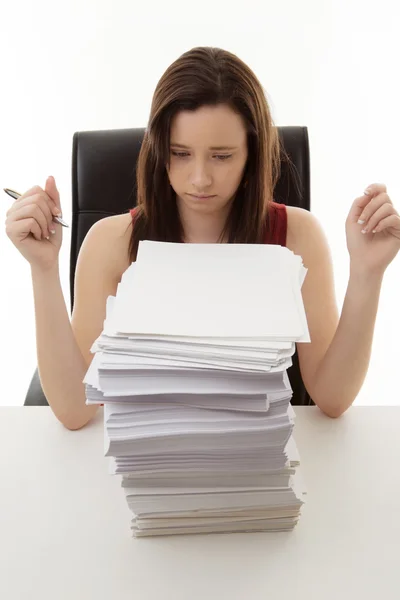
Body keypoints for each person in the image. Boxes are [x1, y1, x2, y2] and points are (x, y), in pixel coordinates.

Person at [5, 47, 400, 430]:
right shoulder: (110, 241)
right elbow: (75, 411)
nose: (199, 179)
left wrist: (368, 272)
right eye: (180, 153)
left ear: (252, 153)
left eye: (222, 156)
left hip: (256, 456)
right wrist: (43, 269)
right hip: (143, 457)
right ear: (159, 151)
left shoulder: (296, 236)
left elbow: (331, 398)